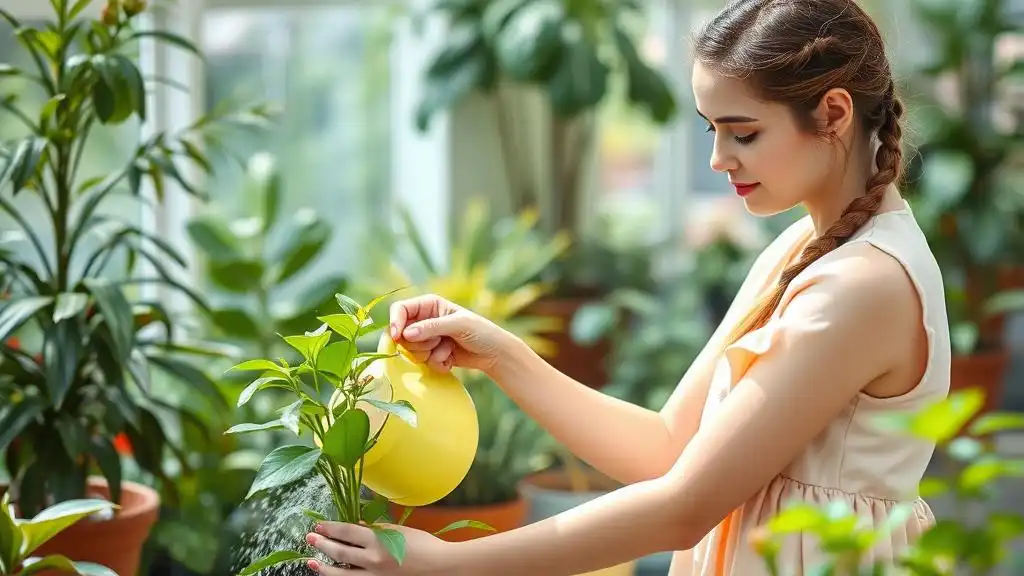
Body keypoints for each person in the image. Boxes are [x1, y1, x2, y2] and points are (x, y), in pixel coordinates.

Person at [303, 0, 951, 574]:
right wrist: (500, 355)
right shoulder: (804, 250)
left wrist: (450, 565)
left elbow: (684, 508)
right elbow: (668, 449)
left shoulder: (863, 286)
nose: (718, 160)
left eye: (743, 132)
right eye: (712, 128)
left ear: (833, 113)